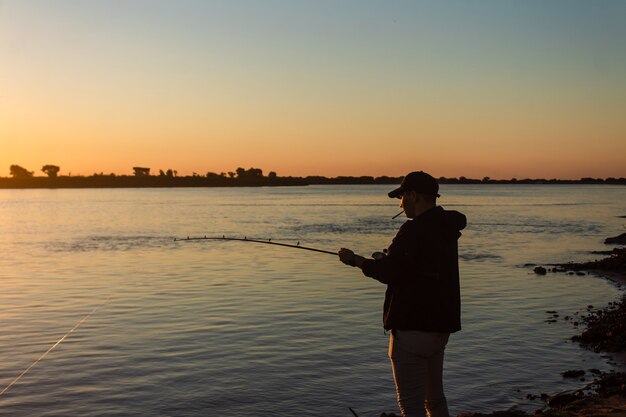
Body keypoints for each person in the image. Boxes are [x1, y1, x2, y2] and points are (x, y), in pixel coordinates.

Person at [339, 171, 466, 417]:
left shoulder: (413, 231)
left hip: (412, 328)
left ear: (413, 195)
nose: (401, 204)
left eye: (402, 197)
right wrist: (389, 259)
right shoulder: (445, 228)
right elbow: (416, 267)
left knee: (411, 405)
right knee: (436, 400)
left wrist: (355, 260)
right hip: (440, 326)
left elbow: (389, 273)